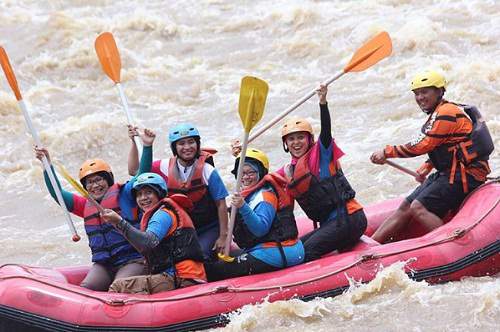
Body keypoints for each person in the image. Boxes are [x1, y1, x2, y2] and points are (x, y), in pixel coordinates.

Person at [370, 70, 493, 243]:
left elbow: (424, 145)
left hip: (466, 175)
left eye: (425, 92)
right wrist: (427, 166)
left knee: (418, 207)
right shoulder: (437, 113)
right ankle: (372, 246)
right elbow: (445, 147)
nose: (420, 97)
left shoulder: (446, 113)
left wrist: (387, 152)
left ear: (440, 91)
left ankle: (455, 244)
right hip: (449, 172)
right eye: (417, 94)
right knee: (405, 207)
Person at [33, 129, 156, 291]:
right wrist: (47, 165)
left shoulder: (125, 194)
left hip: (133, 259)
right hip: (104, 264)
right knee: (86, 288)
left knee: (119, 288)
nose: (95, 185)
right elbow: (58, 194)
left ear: (108, 180)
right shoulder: (84, 205)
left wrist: (147, 146)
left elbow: (142, 175)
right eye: (90, 182)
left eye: (99, 180)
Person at [277, 85, 367, 262]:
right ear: (286, 144)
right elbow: (262, 177)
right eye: (291, 139)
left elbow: (326, 131)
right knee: (294, 251)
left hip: (349, 218)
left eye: (301, 137)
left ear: (310, 139)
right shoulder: (289, 170)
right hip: (332, 224)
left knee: (306, 253)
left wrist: (323, 103)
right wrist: (241, 156)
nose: (296, 143)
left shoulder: (321, 154)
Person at [128, 123, 229, 260]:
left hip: (208, 228)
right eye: (181, 143)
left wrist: (223, 236)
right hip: (182, 228)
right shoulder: (164, 166)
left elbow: (221, 204)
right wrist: (138, 143)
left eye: (191, 142)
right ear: (174, 147)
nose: (187, 147)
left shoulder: (207, 170)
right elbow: (135, 172)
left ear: (197, 144)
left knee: (199, 255)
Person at [205, 148, 304, 281]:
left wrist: (242, 206)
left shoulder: (265, 196)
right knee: (216, 257)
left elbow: (260, 230)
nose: (245, 177)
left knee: (214, 270)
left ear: (261, 173)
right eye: (242, 173)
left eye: (251, 172)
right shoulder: (251, 193)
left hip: (278, 252)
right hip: (266, 248)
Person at [102, 172, 206, 294]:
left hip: (182, 278)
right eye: (139, 194)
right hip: (175, 276)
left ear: (159, 193)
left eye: (148, 192)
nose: (143, 198)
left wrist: (119, 221)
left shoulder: (162, 215)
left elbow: (148, 242)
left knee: (118, 286)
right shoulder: (160, 213)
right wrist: (117, 224)